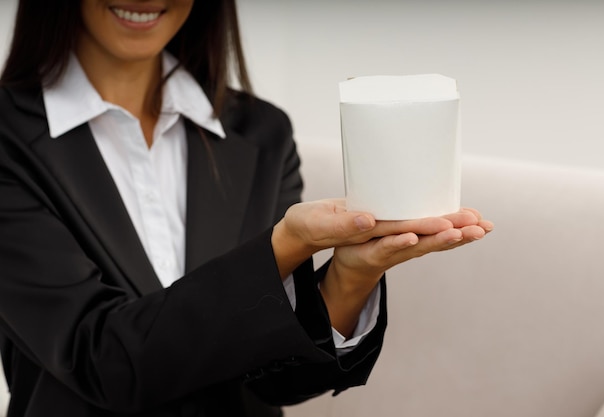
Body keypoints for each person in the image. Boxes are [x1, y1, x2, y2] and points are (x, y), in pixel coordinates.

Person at [0, 1, 493, 416]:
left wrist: (352, 274)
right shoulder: (10, 140)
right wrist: (285, 247)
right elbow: (101, 361)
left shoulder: (261, 132)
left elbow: (276, 382)